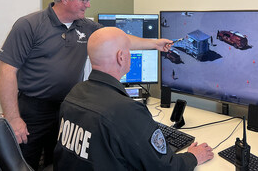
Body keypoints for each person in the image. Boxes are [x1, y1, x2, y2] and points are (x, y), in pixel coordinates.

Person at [0, 0, 172, 170]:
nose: (88, 5)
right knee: (26, 163)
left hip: (69, 107)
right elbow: (6, 71)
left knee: (62, 162)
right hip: (34, 110)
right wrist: (13, 117)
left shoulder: (86, 26)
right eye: (84, 0)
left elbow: (119, 39)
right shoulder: (29, 25)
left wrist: (155, 44)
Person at [54, 27, 214, 170]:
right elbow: (165, 167)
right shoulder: (126, 110)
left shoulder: (75, 93)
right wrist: (193, 156)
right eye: (129, 50)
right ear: (121, 57)